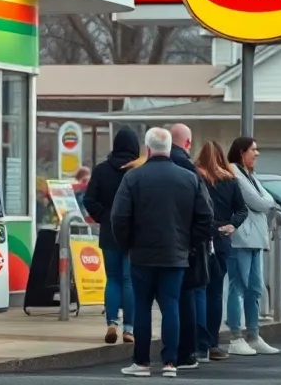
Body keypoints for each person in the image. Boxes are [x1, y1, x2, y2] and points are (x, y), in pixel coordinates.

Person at [111, 127, 214, 378]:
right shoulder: (189, 178)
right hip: (176, 254)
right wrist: (188, 243)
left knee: (143, 307)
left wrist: (127, 245)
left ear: (147, 149)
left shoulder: (133, 178)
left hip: (142, 255)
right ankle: (170, 363)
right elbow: (206, 217)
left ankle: (142, 362)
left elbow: (118, 217)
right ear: (169, 148)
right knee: (171, 306)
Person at [82, 127, 141, 345]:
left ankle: (111, 323)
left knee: (113, 278)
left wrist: (105, 217)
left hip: (109, 231)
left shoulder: (101, 170)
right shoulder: (138, 171)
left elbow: (89, 200)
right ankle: (129, 329)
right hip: (133, 233)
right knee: (129, 280)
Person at [225, 137, 280, 355]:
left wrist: (265, 200)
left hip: (255, 239)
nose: (257, 154)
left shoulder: (250, 175)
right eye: (253, 150)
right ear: (241, 152)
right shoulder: (234, 173)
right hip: (240, 240)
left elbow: (266, 199)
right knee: (238, 287)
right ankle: (235, 337)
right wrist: (265, 201)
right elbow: (261, 202)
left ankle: (254, 335)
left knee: (254, 289)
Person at [194, 140, 247, 362]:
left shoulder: (196, 177)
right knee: (215, 292)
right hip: (223, 240)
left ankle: (199, 344)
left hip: (200, 238)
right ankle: (214, 344)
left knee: (198, 291)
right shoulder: (230, 180)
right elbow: (242, 209)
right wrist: (232, 225)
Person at [168, 124, 213, 372]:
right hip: (184, 247)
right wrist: (194, 242)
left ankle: (167, 353)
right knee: (185, 299)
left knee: (165, 299)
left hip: (157, 247)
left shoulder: (145, 170)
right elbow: (205, 213)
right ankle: (186, 351)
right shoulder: (189, 170)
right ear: (187, 143)